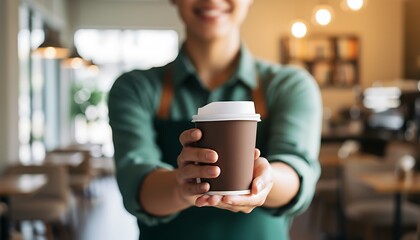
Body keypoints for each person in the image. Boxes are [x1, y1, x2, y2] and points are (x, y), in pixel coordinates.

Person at [108, 0, 322, 239]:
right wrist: (181, 187)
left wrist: (265, 181)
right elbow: (135, 183)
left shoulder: (289, 86)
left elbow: (297, 169)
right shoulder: (135, 89)